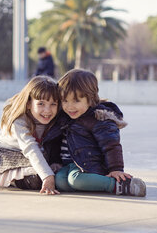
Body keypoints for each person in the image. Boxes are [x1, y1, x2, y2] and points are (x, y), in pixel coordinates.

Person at [45, 69, 146, 197]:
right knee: (60, 181)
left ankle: (117, 185)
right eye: (65, 101)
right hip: (70, 164)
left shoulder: (98, 118)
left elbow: (111, 145)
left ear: (90, 98)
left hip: (90, 165)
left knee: (75, 180)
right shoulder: (64, 118)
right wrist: (55, 161)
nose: (70, 107)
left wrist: (115, 169)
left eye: (76, 101)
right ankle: (92, 185)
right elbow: (56, 141)